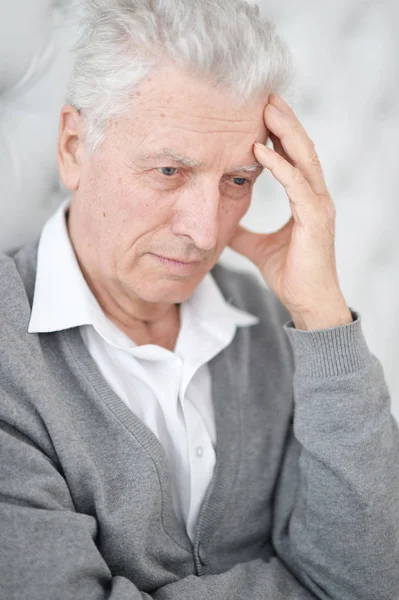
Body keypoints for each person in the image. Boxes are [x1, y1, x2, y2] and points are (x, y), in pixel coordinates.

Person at [1, 0, 398, 598]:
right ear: (75, 147)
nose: (207, 232)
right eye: (169, 171)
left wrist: (322, 319)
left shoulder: (270, 321)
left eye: (238, 181)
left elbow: (370, 578)